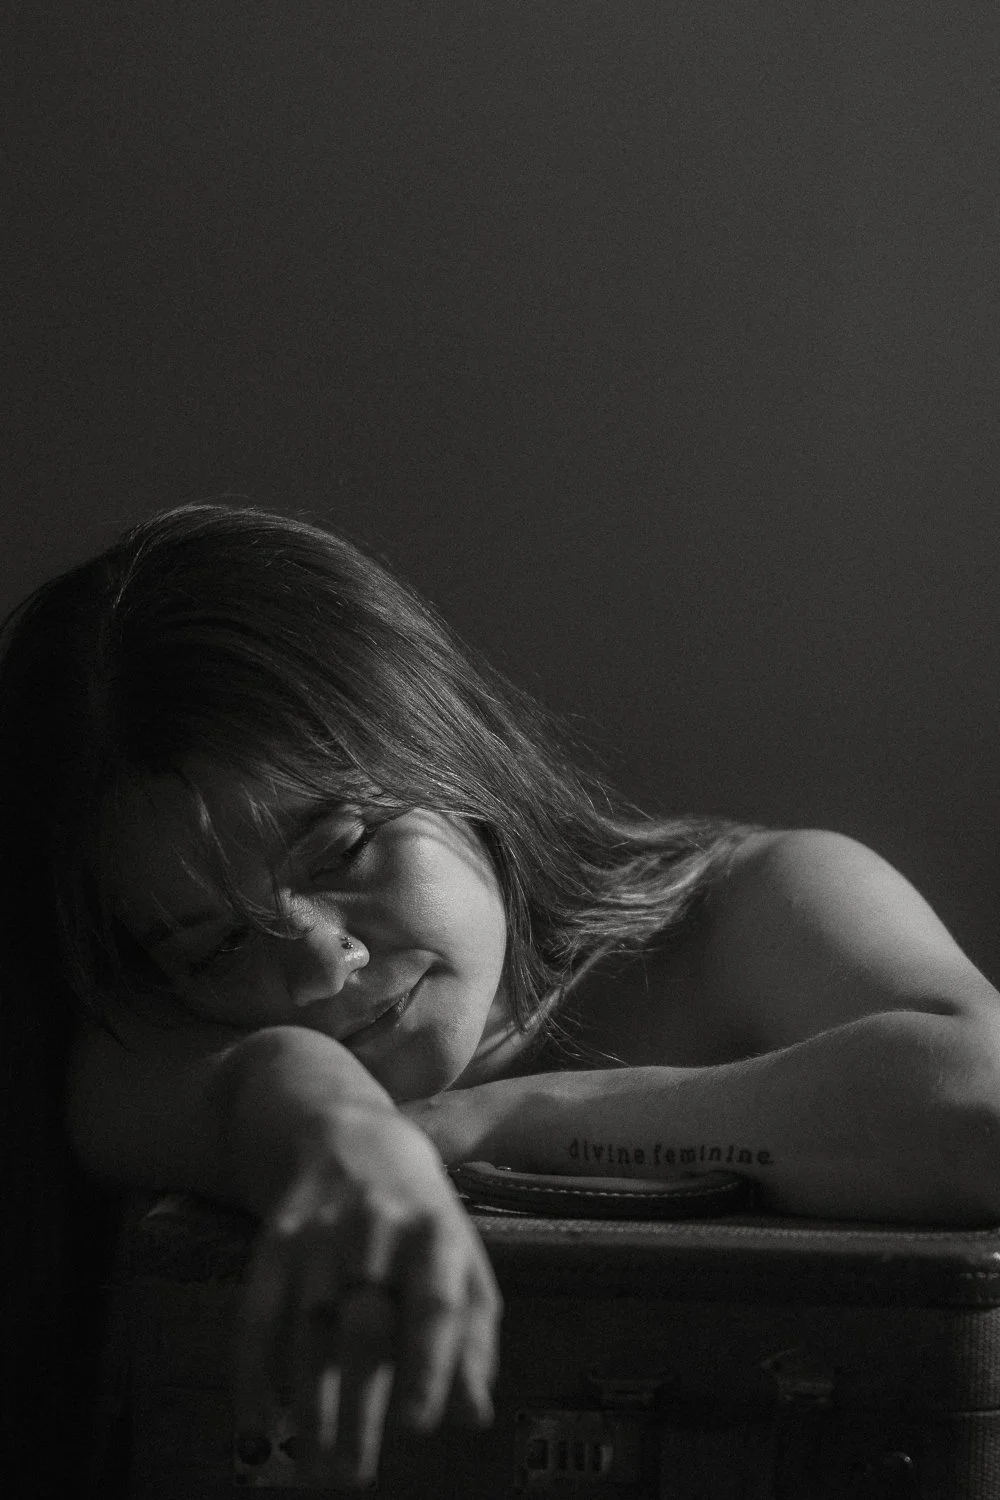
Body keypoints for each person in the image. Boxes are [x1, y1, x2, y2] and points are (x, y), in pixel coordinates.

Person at [3, 501, 1000, 1489]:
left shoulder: (749, 909)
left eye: (344, 846)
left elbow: (977, 1102)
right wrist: (328, 1117)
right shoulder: (165, 1037)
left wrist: (487, 1122)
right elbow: (144, 1089)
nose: (318, 966)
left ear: (451, 753)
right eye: (217, 943)